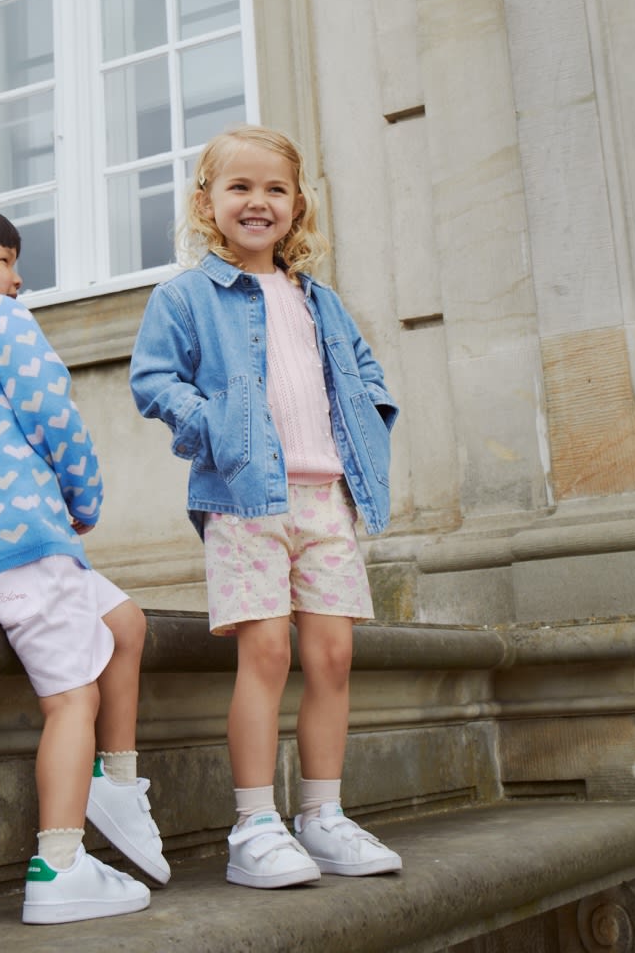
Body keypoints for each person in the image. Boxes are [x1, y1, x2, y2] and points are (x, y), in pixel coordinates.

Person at [130, 125, 403, 890]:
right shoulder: (184, 296)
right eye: (240, 188)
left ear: (298, 203)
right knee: (268, 655)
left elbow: (365, 371)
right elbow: (154, 380)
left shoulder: (318, 299)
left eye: (275, 189)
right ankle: (255, 825)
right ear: (207, 203)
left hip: (327, 501)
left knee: (333, 658)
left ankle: (322, 815)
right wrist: (215, 428)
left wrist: (369, 425)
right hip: (246, 500)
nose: (258, 202)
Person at [0, 201, 170, 925]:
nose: (20, 276)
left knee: (125, 622)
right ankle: (59, 867)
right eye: (6, 258)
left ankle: (118, 781)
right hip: (28, 546)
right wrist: (84, 492)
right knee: (71, 700)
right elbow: (52, 410)